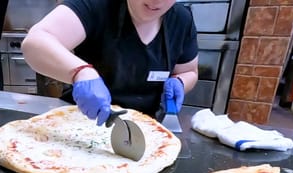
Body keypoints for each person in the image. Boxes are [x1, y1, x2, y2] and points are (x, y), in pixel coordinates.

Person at [21, 0, 198, 126]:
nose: (156, 1)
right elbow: (34, 43)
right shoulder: (96, 5)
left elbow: (189, 71)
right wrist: (80, 72)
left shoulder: (182, 20)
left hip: (145, 127)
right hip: (80, 122)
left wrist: (180, 82)